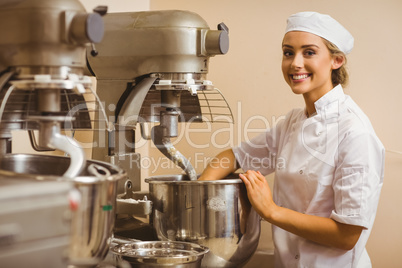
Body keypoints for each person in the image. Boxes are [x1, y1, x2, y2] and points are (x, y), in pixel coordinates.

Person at [198, 11, 384, 268]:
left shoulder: (355, 132)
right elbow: (233, 157)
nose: (295, 63)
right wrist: (195, 196)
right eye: (288, 52)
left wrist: (271, 210)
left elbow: (347, 235)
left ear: (336, 60)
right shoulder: (292, 123)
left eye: (309, 52)